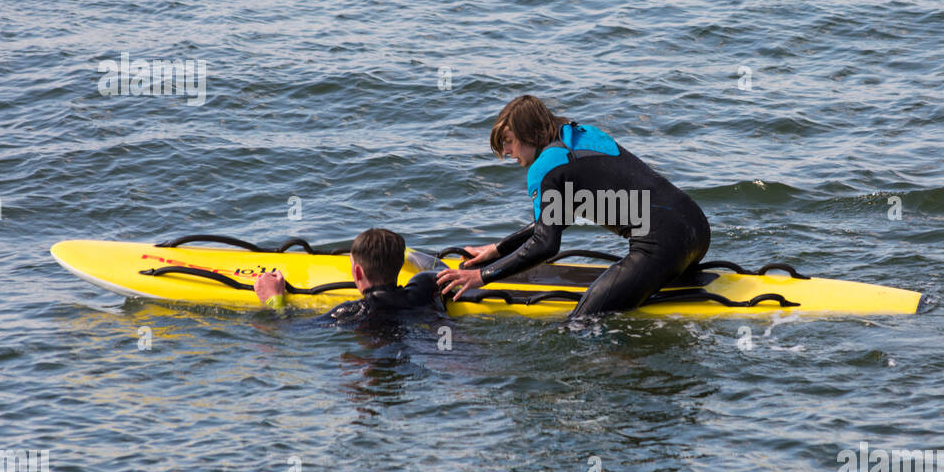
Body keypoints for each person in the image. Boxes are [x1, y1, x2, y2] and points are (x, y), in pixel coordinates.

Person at [436, 95, 710, 315]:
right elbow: (558, 218)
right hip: (697, 230)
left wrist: (481, 277)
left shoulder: (544, 168)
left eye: (509, 142)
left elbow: (546, 245)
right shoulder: (581, 135)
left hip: (662, 247)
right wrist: (498, 250)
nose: (507, 152)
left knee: (581, 323)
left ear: (531, 134)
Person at [255, 228, 439, 325]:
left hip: (379, 356)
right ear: (399, 265)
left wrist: (274, 300)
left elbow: (291, 330)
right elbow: (437, 268)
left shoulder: (351, 312)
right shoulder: (422, 288)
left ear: (358, 272)